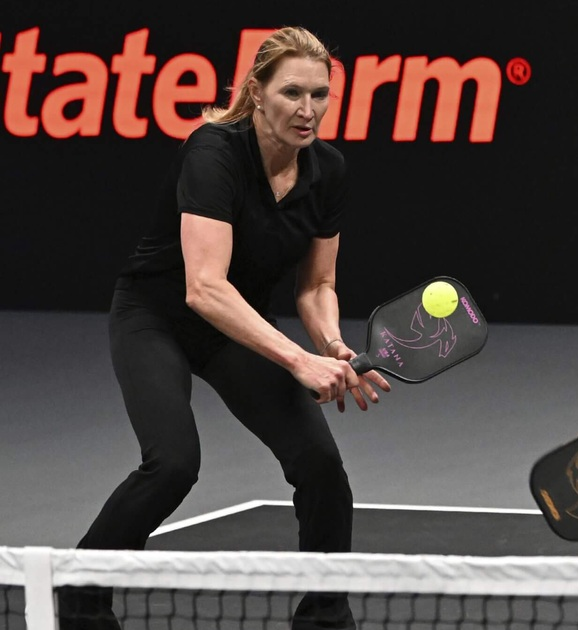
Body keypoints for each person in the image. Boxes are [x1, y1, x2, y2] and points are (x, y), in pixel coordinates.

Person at [59, 26, 389, 630]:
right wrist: (299, 361)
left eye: (320, 94)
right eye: (292, 92)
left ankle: (324, 618)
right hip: (156, 315)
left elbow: (316, 285)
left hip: (234, 326)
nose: (308, 109)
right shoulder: (213, 151)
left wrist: (332, 345)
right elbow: (204, 288)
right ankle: (80, 598)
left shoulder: (329, 171)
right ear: (257, 92)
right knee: (173, 463)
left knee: (321, 468)